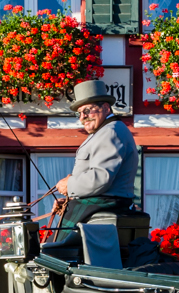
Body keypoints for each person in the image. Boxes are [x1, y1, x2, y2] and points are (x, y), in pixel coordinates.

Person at [49, 79, 140, 249]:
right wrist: (71, 199)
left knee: (55, 250)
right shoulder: (105, 131)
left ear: (105, 108)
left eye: (87, 111)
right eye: (79, 113)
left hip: (103, 203)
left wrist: (70, 185)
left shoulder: (110, 132)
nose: (82, 117)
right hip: (98, 201)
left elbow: (100, 178)